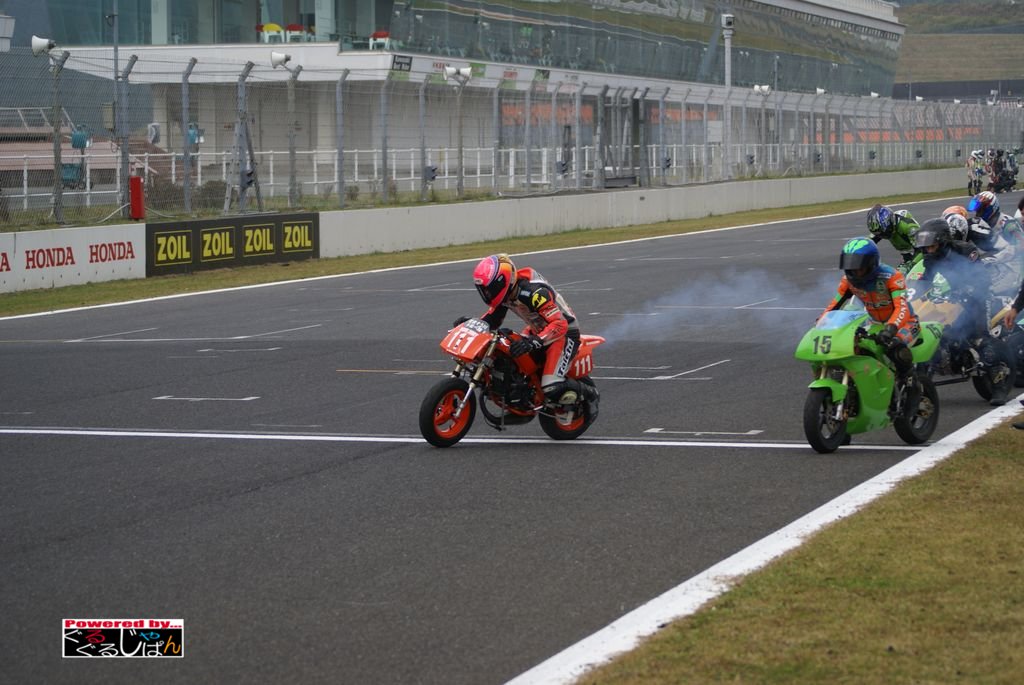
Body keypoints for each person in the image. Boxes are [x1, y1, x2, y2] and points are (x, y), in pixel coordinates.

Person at [467, 253, 598, 412]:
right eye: (484, 290)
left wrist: (532, 342)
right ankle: (518, 399)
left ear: (502, 281)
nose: (487, 293)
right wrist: (470, 325)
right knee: (510, 355)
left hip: (564, 333)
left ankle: (590, 394)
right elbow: (493, 319)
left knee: (551, 386)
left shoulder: (534, 293)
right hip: (537, 330)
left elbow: (560, 324)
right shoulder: (506, 293)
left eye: (489, 289)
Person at [912, 218, 1008, 406]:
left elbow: (982, 278)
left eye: (931, 246)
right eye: (926, 247)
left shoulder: (965, 251)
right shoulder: (929, 259)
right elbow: (925, 281)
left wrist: (966, 291)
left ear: (942, 241)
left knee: (980, 337)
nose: (928, 250)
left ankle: (999, 382)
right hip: (949, 301)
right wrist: (914, 293)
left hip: (976, 298)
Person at [821, 237, 922, 412]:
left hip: (904, 322)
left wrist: (891, 329)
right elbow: (834, 305)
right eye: (850, 266)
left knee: (895, 348)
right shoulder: (848, 281)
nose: (854, 271)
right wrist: (821, 324)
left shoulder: (892, 277)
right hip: (873, 323)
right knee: (854, 348)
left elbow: (902, 307)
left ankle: (912, 384)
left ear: (871, 264)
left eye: (858, 267)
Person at [943, 204, 1021, 297]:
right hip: (981, 270)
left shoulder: (979, 232)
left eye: (955, 235)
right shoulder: (952, 237)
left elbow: (1009, 249)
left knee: (979, 295)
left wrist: (987, 260)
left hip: (1001, 270)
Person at [866, 203, 920, 270]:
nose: (883, 236)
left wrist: (912, 265)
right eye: (881, 235)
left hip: (922, 255)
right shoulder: (881, 228)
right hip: (907, 255)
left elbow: (923, 249)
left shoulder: (909, 227)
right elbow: (867, 242)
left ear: (891, 222)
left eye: (885, 233)